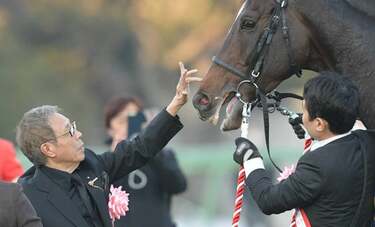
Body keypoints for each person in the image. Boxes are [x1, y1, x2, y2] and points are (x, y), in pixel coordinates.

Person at [17, 62, 200, 227]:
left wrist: (175, 104)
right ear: (48, 149)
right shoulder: (26, 197)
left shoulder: (91, 165)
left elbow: (139, 148)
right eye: (69, 131)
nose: (79, 134)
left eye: (75, 127)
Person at [233, 72, 375, 226]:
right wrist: (309, 124)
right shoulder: (368, 142)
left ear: (320, 124)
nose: (303, 116)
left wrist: (251, 159)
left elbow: (268, 200)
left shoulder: (317, 165)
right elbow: (350, 130)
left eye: (305, 111)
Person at [104, 96, 187, 227]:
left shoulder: (163, 155)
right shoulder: (103, 163)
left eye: (133, 120)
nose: (128, 126)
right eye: (121, 121)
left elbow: (178, 186)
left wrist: (152, 145)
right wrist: (117, 156)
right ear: (109, 129)